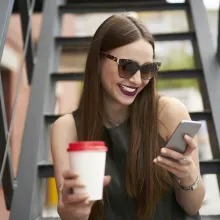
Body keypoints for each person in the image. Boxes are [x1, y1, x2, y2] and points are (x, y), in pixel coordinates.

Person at [51, 14, 205, 220]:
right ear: (98, 61)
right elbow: (69, 213)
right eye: (127, 67)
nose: (137, 80)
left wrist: (188, 176)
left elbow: (192, 206)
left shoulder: (169, 113)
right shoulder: (66, 128)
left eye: (147, 69)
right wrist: (74, 209)